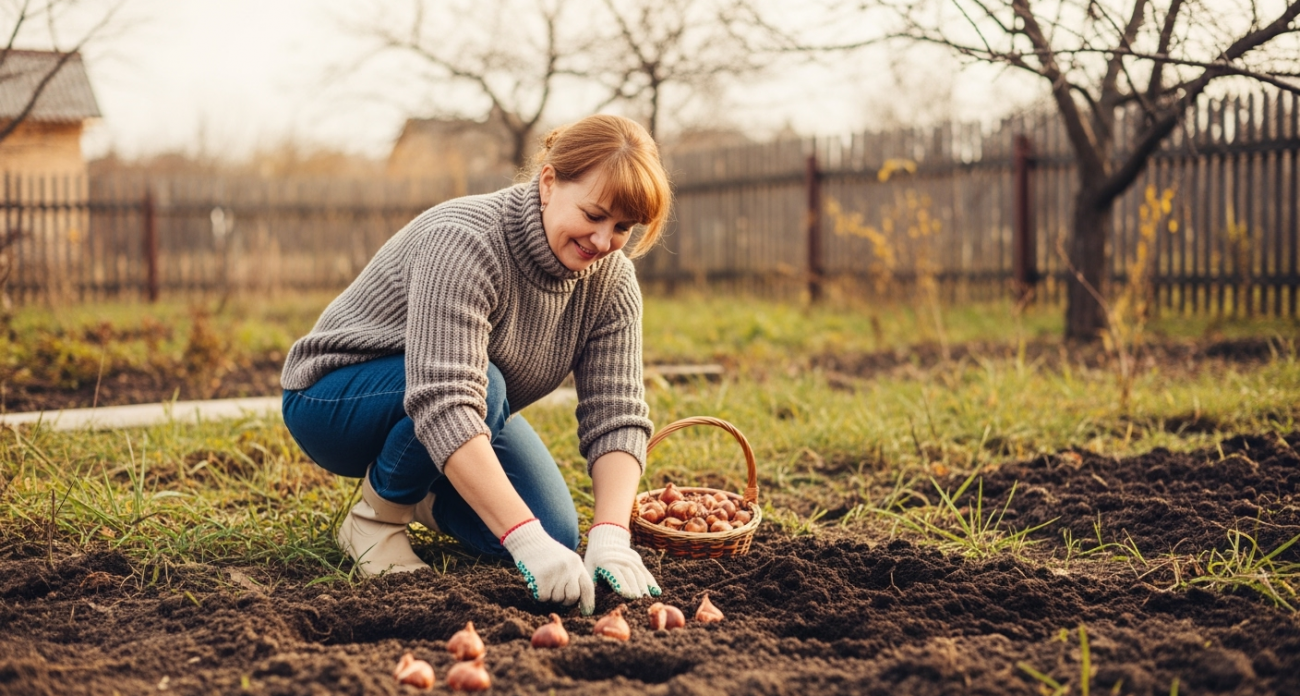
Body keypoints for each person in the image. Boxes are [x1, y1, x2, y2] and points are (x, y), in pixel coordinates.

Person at [279, 114, 669, 616]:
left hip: (463, 401)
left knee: (555, 532)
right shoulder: (466, 241)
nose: (602, 240)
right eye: (593, 215)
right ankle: (375, 520)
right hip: (333, 399)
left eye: (622, 228)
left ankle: (421, 486)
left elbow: (616, 414)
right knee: (486, 389)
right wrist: (523, 538)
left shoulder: (611, 283)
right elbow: (446, 398)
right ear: (548, 183)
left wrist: (611, 534)